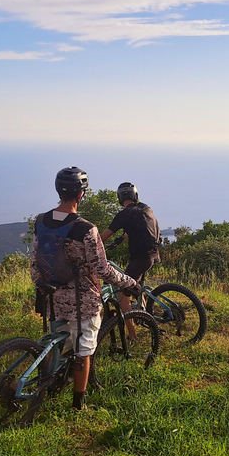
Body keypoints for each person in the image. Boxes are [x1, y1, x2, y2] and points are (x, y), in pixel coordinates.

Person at [30, 167, 140, 411]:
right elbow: (102, 269)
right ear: (81, 195)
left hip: (50, 295)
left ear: (59, 191)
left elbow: (35, 260)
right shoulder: (86, 228)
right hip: (82, 301)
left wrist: (40, 284)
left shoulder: (41, 221)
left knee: (55, 341)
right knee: (83, 351)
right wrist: (129, 282)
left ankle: (46, 382)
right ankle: (79, 404)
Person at [100, 182, 161, 339]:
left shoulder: (124, 214)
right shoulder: (146, 208)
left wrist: (89, 247)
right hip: (154, 254)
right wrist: (123, 238)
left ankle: (132, 335)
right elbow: (144, 228)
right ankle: (143, 312)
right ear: (135, 196)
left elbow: (102, 238)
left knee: (122, 292)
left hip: (141, 258)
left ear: (120, 198)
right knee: (133, 282)